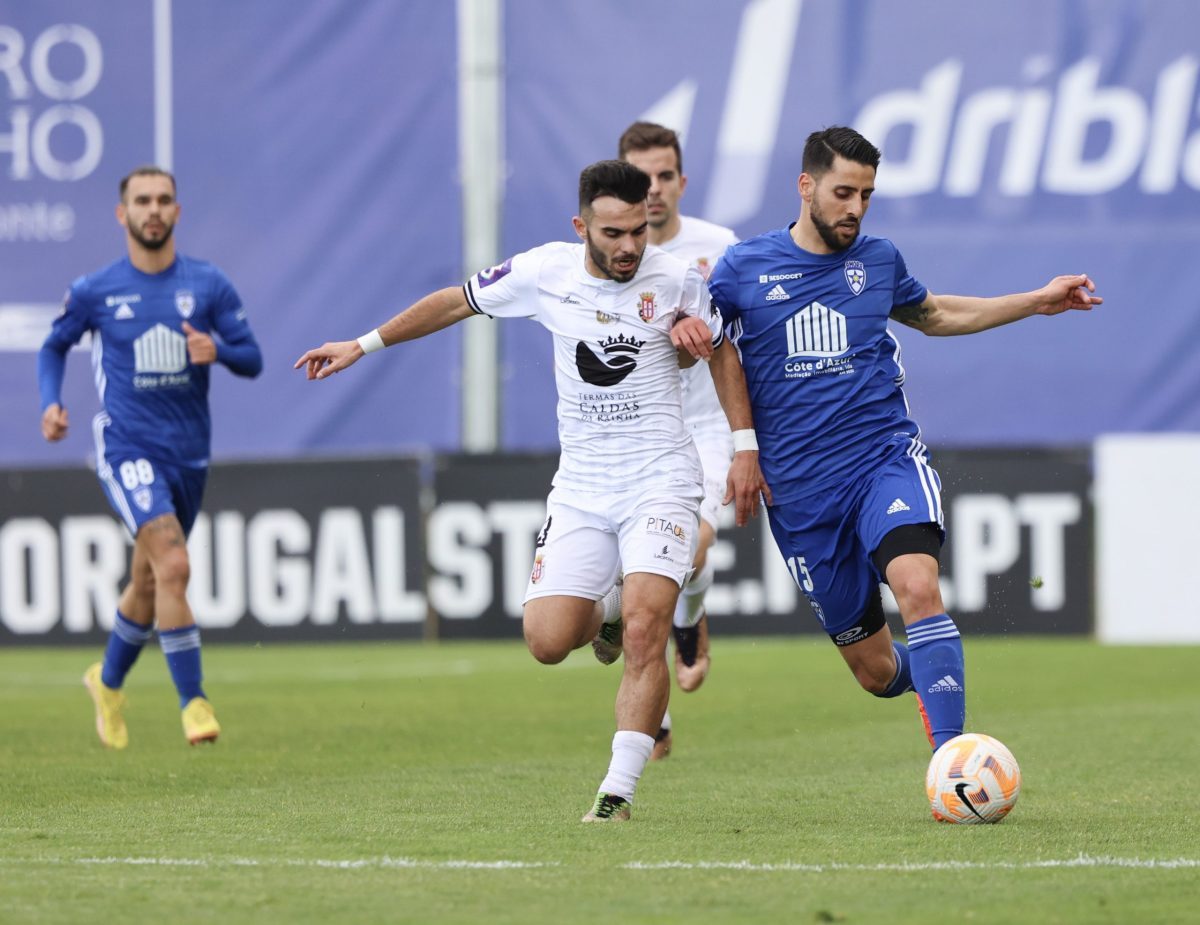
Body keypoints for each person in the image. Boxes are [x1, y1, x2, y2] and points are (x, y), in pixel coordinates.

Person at [294, 160, 769, 822]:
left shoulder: (680, 278)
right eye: (614, 233)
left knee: (644, 628)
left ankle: (617, 790)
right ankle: (607, 605)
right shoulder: (544, 271)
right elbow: (454, 300)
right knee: (547, 641)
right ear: (582, 227)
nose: (630, 246)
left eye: (638, 231)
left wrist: (744, 447)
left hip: (662, 476)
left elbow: (720, 353)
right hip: (582, 486)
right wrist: (363, 343)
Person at [705, 127, 1100, 757]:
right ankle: (930, 683)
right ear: (805, 186)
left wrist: (1034, 301)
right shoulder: (743, 268)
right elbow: (714, 345)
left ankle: (955, 761)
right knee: (876, 672)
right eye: (842, 192)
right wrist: (743, 446)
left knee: (918, 586)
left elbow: (936, 314)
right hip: (800, 491)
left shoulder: (879, 260)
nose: (855, 208)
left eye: (866, 194)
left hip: (881, 461)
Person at [38, 166, 263, 749]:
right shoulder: (96, 290)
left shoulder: (208, 284)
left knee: (147, 580)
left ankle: (106, 682)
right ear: (123, 214)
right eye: (142, 201)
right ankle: (194, 703)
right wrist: (51, 404)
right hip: (127, 445)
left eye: (164, 199)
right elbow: (53, 344)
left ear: (177, 212)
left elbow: (253, 358)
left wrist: (219, 350)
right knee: (174, 564)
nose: (153, 209)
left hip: (188, 455)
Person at [611, 121, 740, 761]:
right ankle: (655, 703)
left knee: (685, 544)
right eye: (641, 179)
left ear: (682, 181)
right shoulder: (603, 258)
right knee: (638, 580)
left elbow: (746, 343)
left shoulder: (720, 248)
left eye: (664, 176)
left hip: (710, 427)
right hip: (636, 433)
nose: (653, 190)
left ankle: (686, 619)